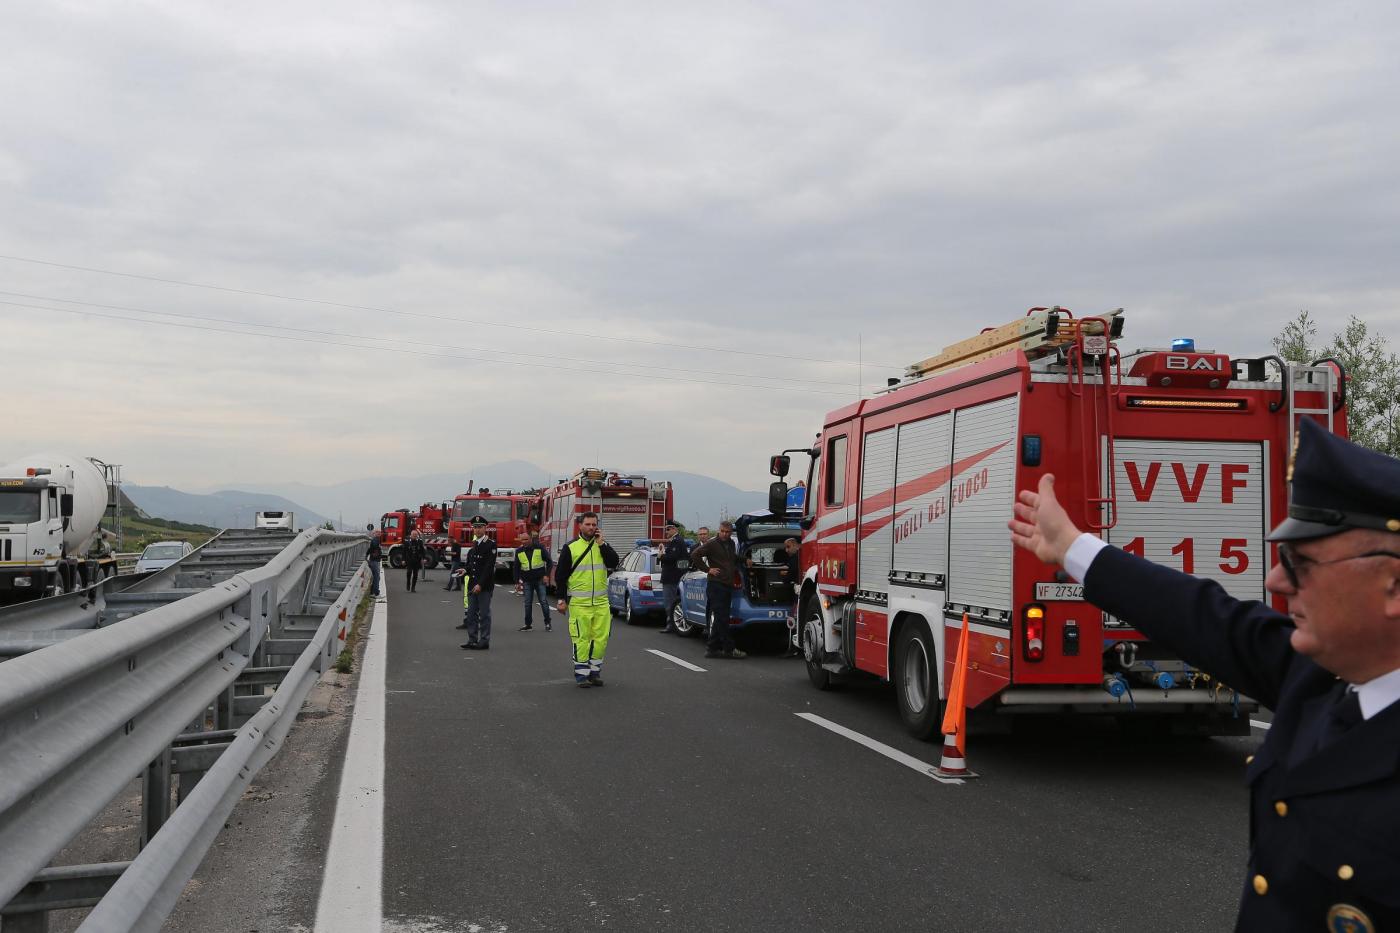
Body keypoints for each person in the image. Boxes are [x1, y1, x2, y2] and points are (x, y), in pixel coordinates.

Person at [1007, 417, 1400, 931]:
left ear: (1394, 585)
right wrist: (1071, 547)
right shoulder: (1318, 680)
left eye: (1300, 562)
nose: (1275, 580)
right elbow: (1202, 616)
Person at [554, 512, 620, 687]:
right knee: (581, 639)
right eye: (588, 524)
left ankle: (594, 673)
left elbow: (614, 562)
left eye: (594, 524)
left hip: (601, 603)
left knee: (601, 640)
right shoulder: (571, 547)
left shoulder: (602, 545)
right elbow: (561, 576)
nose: (591, 527)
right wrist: (561, 599)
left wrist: (602, 544)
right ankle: (581, 675)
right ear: (580, 525)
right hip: (579, 603)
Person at [690, 520, 746, 659]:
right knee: (722, 618)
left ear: (731, 532)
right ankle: (729, 649)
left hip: (727, 585)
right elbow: (695, 555)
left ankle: (712, 648)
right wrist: (708, 569)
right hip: (716, 585)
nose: (725, 534)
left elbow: (731, 557)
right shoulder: (712, 543)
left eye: (727, 532)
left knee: (720, 617)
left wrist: (745, 560)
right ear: (718, 531)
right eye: (722, 531)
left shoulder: (731, 543)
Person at [460, 516, 498, 650]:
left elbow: (488, 567)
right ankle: (472, 639)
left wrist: (480, 584)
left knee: (484, 614)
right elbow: (472, 565)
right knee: (471, 614)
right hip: (473, 584)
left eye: (479, 527)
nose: (477, 530)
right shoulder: (475, 545)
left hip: (484, 586)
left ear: (485, 528)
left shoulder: (490, 545)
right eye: (475, 527)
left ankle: (484, 640)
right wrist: (465, 570)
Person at [514, 528, 554, 632]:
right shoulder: (519, 551)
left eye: (526, 539)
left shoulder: (539, 548)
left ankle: (547, 623)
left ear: (531, 539)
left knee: (543, 601)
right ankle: (528, 625)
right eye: (522, 540)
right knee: (527, 603)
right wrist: (517, 582)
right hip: (527, 581)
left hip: (539, 580)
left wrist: (546, 575)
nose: (524, 542)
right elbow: (516, 567)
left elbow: (549, 562)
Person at [657, 522, 690, 634]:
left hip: (672, 577)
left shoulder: (677, 541)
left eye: (668, 529)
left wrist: (661, 556)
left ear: (674, 529)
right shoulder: (674, 541)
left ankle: (671, 625)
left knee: (669, 603)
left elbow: (672, 557)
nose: (665, 532)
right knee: (672, 602)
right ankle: (673, 624)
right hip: (673, 576)